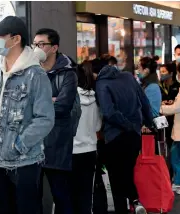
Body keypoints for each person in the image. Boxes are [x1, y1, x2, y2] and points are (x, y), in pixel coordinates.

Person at [0, 16, 55, 214]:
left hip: (25, 162)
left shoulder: (35, 74)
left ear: (16, 39)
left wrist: (18, 145)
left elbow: (45, 119)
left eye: (0, 36)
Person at [95, 56, 153, 214]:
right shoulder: (128, 77)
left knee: (115, 177)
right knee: (128, 170)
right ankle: (134, 201)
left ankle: (125, 207)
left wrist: (127, 125)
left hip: (115, 136)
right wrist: (148, 122)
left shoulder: (101, 83)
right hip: (134, 136)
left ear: (95, 72)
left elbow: (108, 112)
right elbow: (144, 101)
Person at [33, 28, 77, 214]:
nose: (37, 48)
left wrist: (39, 103)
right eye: (35, 44)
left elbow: (63, 107)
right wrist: (50, 100)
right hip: (32, 142)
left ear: (54, 48)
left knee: (60, 194)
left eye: (42, 44)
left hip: (57, 142)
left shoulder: (68, 73)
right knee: (32, 195)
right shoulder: (30, 71)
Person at [72, 60, 101, 214]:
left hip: (72, 151)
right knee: (86, 193)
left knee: (70, 194)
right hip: (90, 150)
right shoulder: (95, 99)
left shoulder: (71, 98)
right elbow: (97, 126)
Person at [161, 62, 180, 195]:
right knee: (175, 156)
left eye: (178, 72)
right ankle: (179, 181)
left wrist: (160, 108)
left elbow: (177, 108)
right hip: (179, 130)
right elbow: (177, 104)